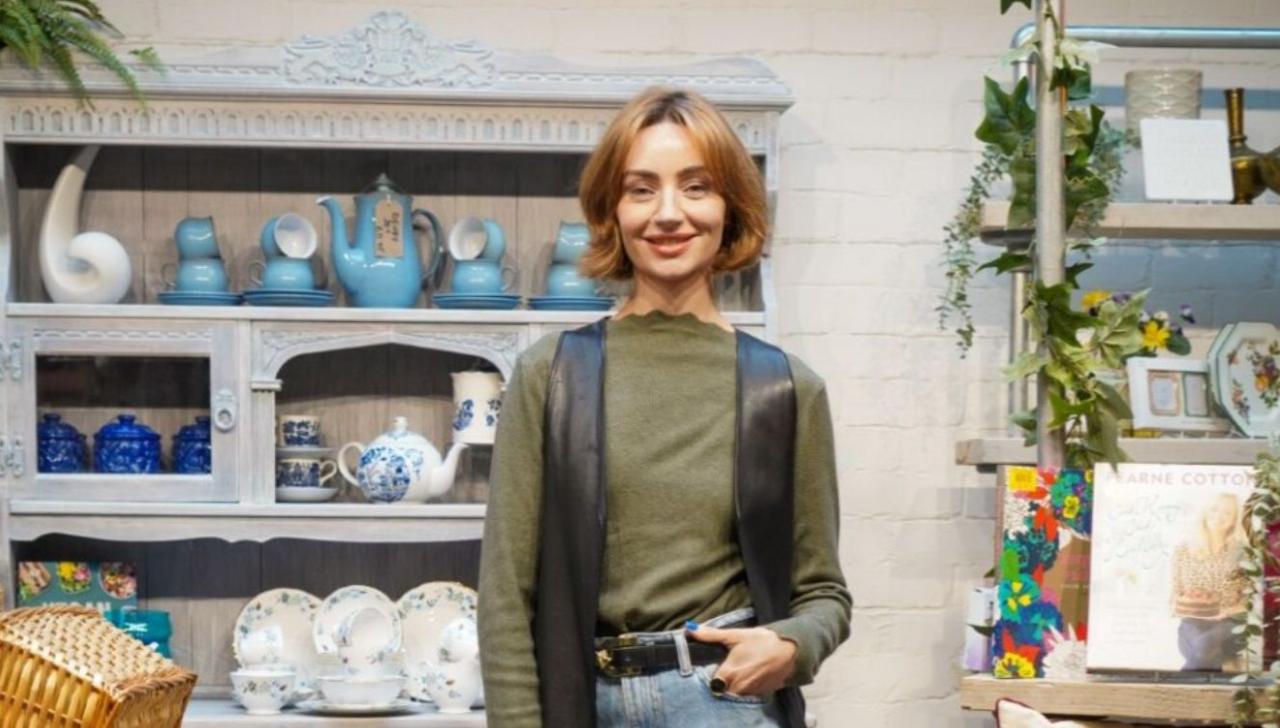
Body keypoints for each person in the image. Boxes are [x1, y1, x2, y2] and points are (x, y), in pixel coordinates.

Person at [478, 86, 851, 728]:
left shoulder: (787, 388)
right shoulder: (552, 375)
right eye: (642, 189)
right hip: (582, 702)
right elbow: (507, 594)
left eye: (697, 187)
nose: (668, 214)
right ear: (612, 211)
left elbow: (823, 592)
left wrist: (792, 644)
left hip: (725, 703)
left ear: (731, 207)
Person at [1170, 492, 1249, 672]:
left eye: (1226, 513)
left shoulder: (1242, 553)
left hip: (1231, 624)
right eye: (1214, 509)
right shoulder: (1183, 550)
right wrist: (1184, 605)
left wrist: (1224, 612)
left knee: (1203, 649)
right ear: (1205, 512)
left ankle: (1179, 691)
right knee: (1202, 649)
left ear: (1234, 519)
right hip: (1192, 624)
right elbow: (1175, 594)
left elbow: (1250, 602)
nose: (1218, 516)